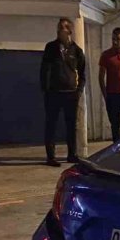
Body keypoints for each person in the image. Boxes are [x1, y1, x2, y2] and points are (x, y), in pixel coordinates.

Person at [40, 18, 86, 167]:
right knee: (51, 124)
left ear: (70, 31)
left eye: (63, 28)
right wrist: (45, 90)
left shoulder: (77, 51)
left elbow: (83, 73)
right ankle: (51, 157)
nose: (60, 30)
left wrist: (78, 91)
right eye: (59, 28)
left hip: (70, 93)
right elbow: (44, 69)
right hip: (53, 93)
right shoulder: (51, 48)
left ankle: (72, 155)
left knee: (71, 125)